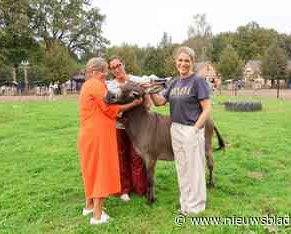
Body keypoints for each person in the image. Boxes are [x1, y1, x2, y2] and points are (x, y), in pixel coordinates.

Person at [78, 57, 143, 225]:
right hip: (99, 136)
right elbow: (110, 107)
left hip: (89, 135)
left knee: (91, 170)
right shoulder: (95, 85)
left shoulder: (87, 85)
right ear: (94, 72)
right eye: (104, 72)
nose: (106, 75)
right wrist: (133, 103)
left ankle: (89, 206)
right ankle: (97, 216)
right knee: (100, 171)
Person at [148, 47, 211, 215]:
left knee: (195, 169)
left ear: (192, 62)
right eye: (180, 60)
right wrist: (152, 91)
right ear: (176, 62)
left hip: (191, 129)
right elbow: (160, 102)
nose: (183, 63)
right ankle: (185, 204)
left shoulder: (197, 81)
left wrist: (195, 129)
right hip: (175, 128)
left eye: (187, 61)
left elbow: (206, 109)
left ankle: (196, 206)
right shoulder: (175, 82)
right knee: (182, 168)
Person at [106, 56, 149, 201]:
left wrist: (146, 96)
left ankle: (140, 187)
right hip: (119, 126)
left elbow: (147, 103)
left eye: (118, 65)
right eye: (113, 67)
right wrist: (132, 104)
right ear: (111, 70)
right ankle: (124, 189)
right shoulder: (110, 86)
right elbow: (111, 108)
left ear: (123, 64)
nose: (117, 69)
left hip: (138, 127)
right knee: (121, 157)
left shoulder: (138, 80)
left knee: (137, 156)